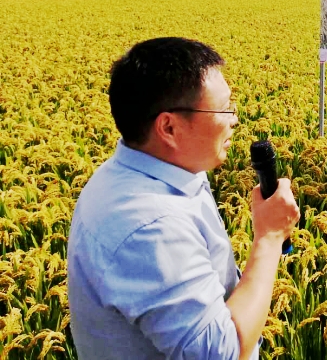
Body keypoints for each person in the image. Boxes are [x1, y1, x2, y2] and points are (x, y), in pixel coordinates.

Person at [67, 37, 299, 360]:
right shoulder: (149, 227)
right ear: (168, 128)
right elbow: (222, 353)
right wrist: (270, 238)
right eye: (223, 108)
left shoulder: (154, 170)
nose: (234, 119)